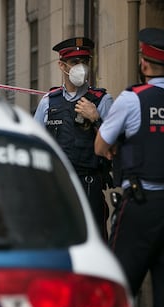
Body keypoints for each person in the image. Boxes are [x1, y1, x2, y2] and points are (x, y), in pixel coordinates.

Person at [94, 27, 164, 307]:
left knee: (117, 288)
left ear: (143, 63)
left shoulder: (132, 99)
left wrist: (119, 145)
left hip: (141, 207)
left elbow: (99, 146)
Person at [34, 37, 114, 241]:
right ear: (62, 65)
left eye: (84, 61)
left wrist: (96, 118)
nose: (81, 67)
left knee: (94, 243)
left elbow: (115, 145)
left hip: (89, 185)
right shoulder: (48, 102)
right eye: (74, 62)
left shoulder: (102, 100)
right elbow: (35, 146)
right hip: (58, 187)